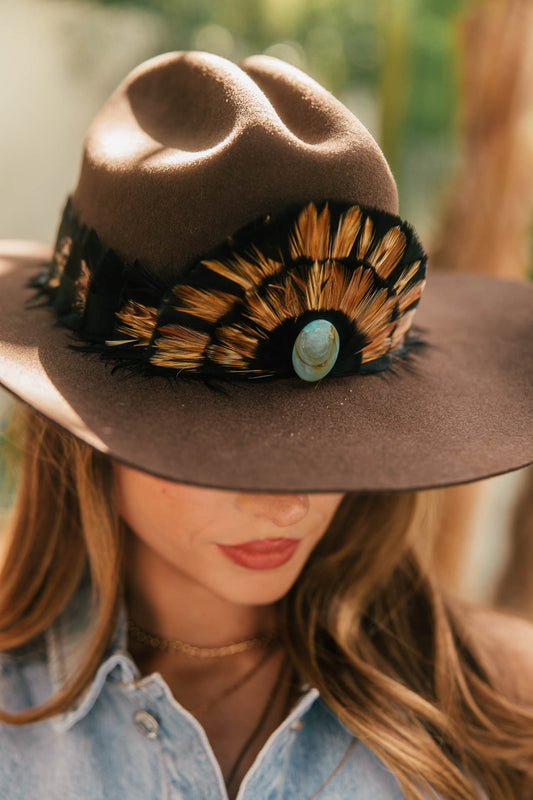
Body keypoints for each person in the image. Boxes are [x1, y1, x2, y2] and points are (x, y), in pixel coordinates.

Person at [0, 50, 532, 800]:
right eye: (223, 451)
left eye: (334, 440)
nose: (289, 504)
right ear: (85, 438)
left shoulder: (501, 714)